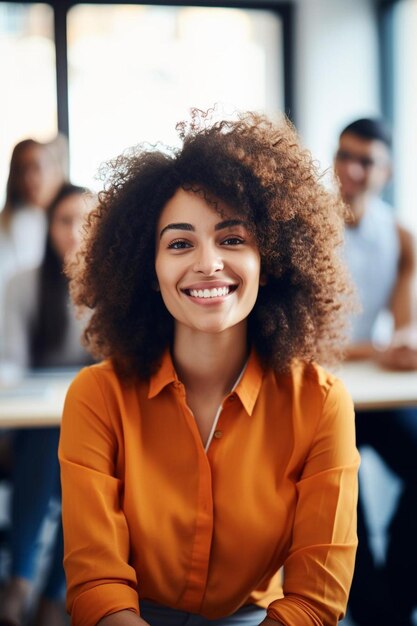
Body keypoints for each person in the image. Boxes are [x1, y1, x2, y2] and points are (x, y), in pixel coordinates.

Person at [59, 109, 359, 626]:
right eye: (179, 243)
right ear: (149, 272)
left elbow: (314, 600)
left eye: (232, 239)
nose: (207, 263)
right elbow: (97, 585)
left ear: (271, 262)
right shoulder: (96, 396)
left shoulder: (321, 402)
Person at [334, 117, 417, 625]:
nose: (351, 169)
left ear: (386, 171)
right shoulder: (308, 228)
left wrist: (402, 346)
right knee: (341, 490)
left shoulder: (401, 236)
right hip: (321, 392)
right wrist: (378, 349)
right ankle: (369, 608)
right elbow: (306, 339)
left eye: (366, 161)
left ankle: (394, 600)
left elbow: (403, 331)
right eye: (344, 155)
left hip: (374, 393)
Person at [0, 183, 94, 626]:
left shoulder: (111, 288)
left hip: (91, 420)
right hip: (36, 420)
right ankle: (33, 586)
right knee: (49, 441)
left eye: (84, 220)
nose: (73, 232)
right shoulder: (23, 284)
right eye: (63, 220)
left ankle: (43, 587)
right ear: (49, 227)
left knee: (77, 451)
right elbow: (11, 363)